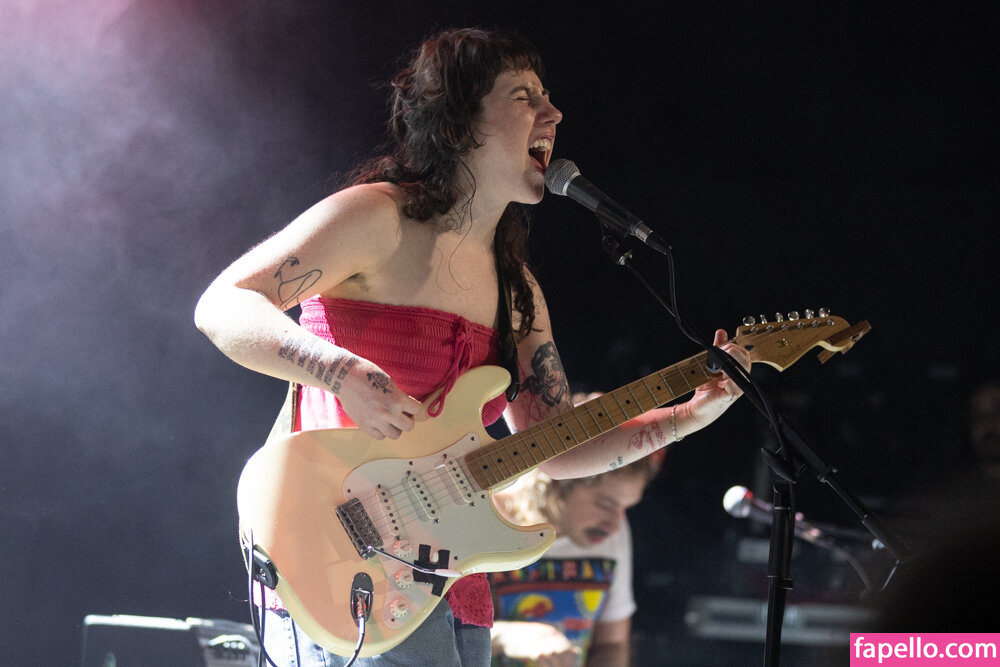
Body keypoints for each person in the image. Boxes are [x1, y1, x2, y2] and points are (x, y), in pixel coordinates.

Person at [194, 26, 748, 667]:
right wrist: (339, 372)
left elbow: (556, 446)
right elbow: (225, 304)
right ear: (457, 125)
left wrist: (688, 416)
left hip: (450, 583)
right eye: (524, 97)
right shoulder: (377, 218)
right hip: (340, 556)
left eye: (547, 97)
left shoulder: (517, 290)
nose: (554, 115)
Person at [488, 412, 663, 667]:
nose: (615, 525)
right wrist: (508, 637)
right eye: (605, 504)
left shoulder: (610, 528)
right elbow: (439, 632)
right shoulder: (486, 518)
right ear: (560, 478)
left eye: (625, 508)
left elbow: (612, 645)